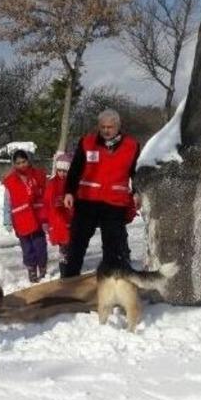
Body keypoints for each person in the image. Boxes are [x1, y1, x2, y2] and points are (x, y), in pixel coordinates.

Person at [61, 109, 141, 278]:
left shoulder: (132, 145)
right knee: (77, 243)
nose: (106, 130)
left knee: (112, 246)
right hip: (87, 200)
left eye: (110, 127)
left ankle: (109, 278)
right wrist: (69, 192)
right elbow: (75, 169)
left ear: (118, 126)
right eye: (103, 127)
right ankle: (70, 279)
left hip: (115, 203)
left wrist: (137, 191)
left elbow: (136, 173)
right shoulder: (87, 142)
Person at [2, 149, 48, 282]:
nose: (22, 165)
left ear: (28, 161)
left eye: (24, 161)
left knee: (40, 246)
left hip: (37, 217)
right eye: (18, 163)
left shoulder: (38, 176)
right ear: (14, 164)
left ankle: (42, 267)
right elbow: (7, 202)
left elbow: (45, 196)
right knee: (27, 248)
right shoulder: (10, 181)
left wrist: (47, 217)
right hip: (20, 220)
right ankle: (32, 270)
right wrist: (7, 220)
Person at [44, 153, 73, 264]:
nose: (62, 173)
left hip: (70, 215)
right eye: (60, 170)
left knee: (71, 238)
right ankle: (64, 255)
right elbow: (47, 201)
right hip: (58, 216)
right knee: (63, 238)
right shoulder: (52, 183)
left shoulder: (72, 183)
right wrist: (46, 219)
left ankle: (70, 256)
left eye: (65, 171)